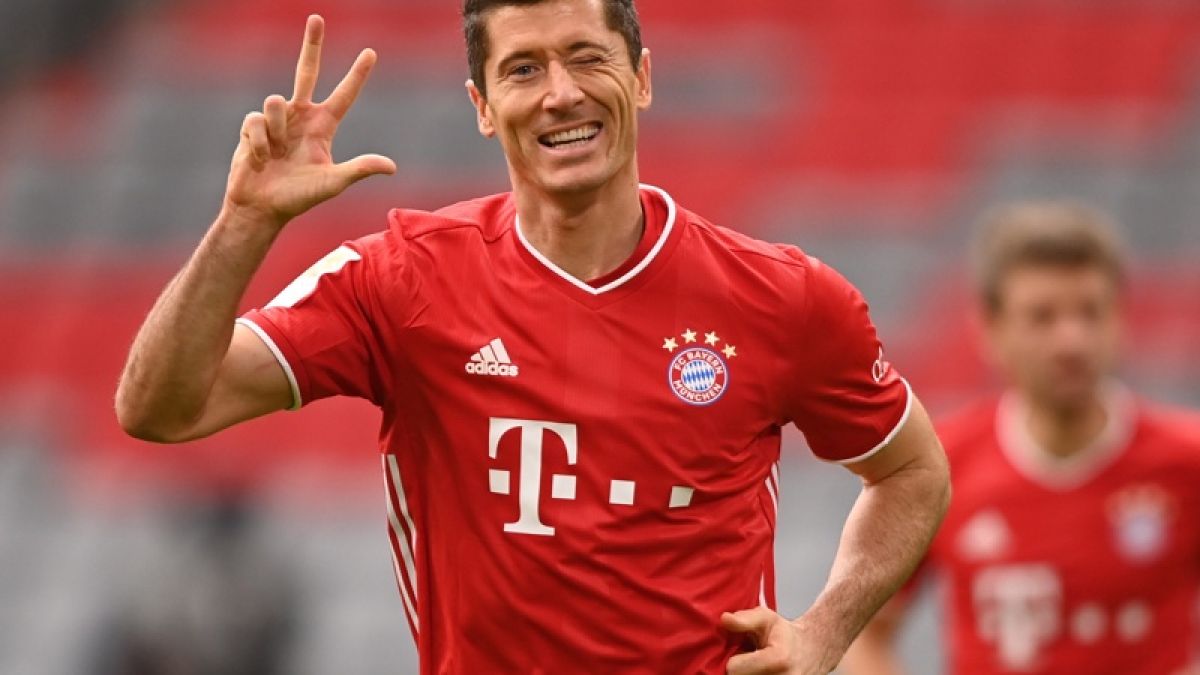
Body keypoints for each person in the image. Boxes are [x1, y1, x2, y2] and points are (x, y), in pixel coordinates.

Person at [115, 1, 950, 672]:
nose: (560, 93)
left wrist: (824, 632)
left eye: (587, 57)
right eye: (523, 69)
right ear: (482, 107)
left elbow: (913, 470)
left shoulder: (781, 296)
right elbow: (160, 407)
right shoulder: (400, 278)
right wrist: (243, 222)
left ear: (642, 77)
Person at [840, 202, 1200, 674]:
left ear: (1120, 318)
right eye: (1042, 317)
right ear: (991, 329)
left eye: (1090, 312)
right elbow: (865, 635)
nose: (1071, 341)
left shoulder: (1187, 460)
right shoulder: (934, 466)